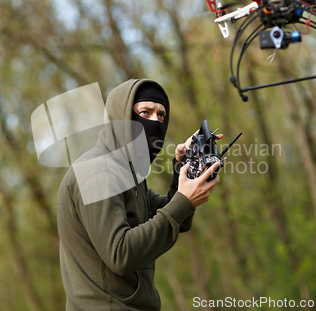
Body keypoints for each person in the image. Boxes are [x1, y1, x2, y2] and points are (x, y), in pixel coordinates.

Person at [57, 79, 222, 311]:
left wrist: (184, 169)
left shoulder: (128, 174)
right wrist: (184, 200)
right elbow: (120, 253)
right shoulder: (97, 171)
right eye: (145, 112)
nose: (155, 121)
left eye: (162, 116)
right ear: (121, 117)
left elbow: (174, 215)